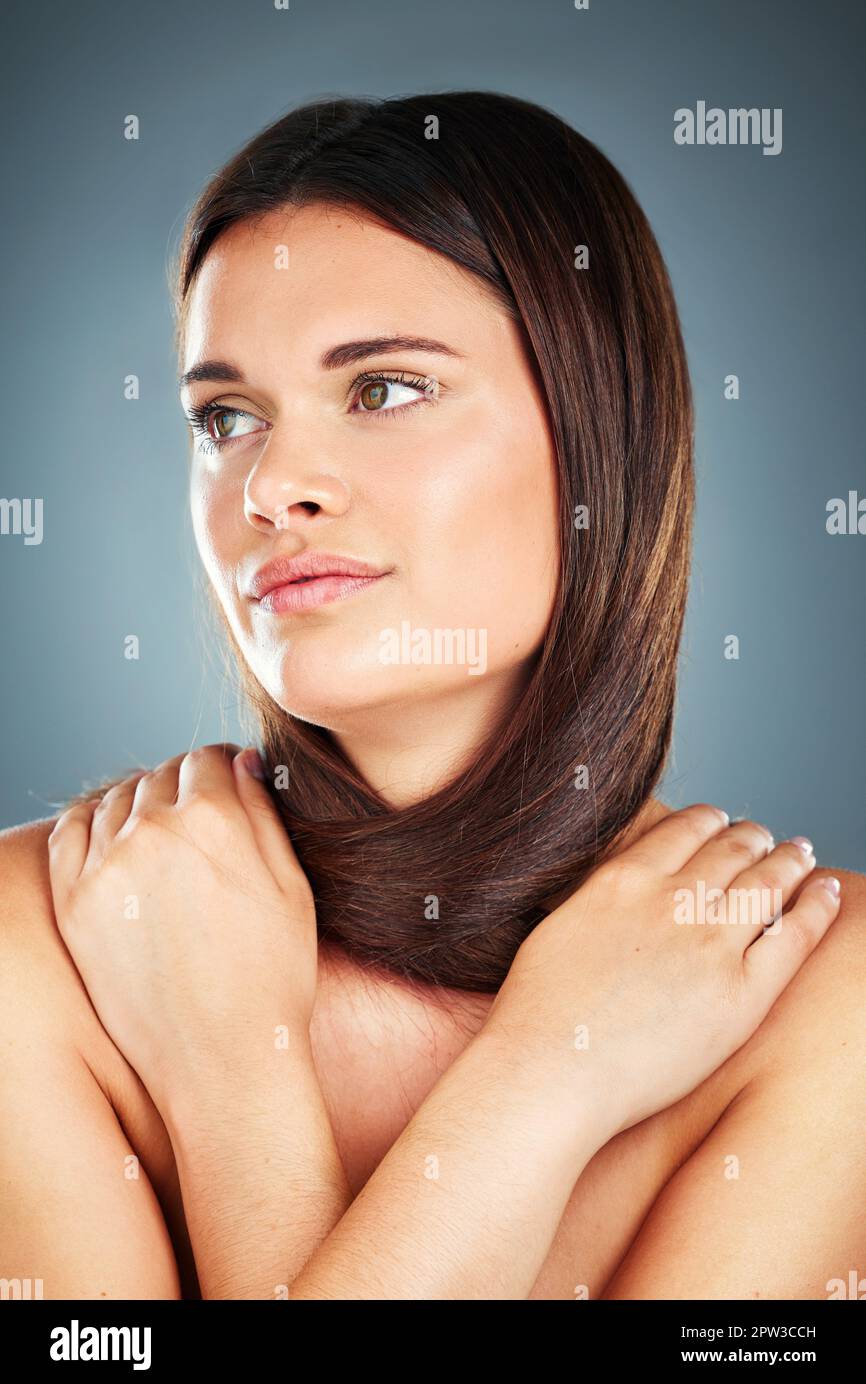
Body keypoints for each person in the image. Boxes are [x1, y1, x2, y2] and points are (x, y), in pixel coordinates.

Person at [1, 92, 863, 1301]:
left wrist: (530, 1073)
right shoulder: (38, 936)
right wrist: (542, 1078)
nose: (273, 486)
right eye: (226, 418)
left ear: (595, 429)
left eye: (383, 389)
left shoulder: (822, 988)